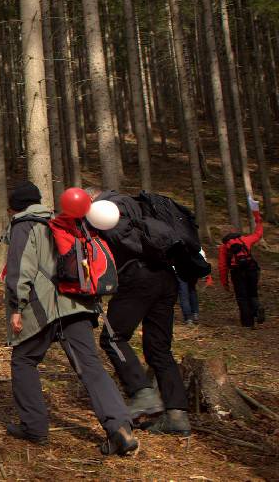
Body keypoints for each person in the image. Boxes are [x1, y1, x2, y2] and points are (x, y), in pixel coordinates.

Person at [3, 181, 137, 455]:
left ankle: (34, 426)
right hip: (78, 304)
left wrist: (17, 307)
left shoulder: (23, 225)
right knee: (90, 366)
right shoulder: (62, 221)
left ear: (13, 207)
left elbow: (20, 268)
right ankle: (120, 427)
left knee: (23, 360)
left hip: (44, 309)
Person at [89, 187, 191, 436]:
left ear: (92, 199)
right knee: (159, 349)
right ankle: (177, 416)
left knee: (112, 338)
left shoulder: (102, 212)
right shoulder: (139, 206)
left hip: (138, 277)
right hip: (166, 277)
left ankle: (142, 392)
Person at [219, 196, 264, 329]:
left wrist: (225, 282)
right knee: (252, 293)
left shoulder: (223, 247)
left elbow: (222, 266)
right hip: (251, 269)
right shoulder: (245, 240)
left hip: (237, 273)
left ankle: (247, 323)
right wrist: (258, 218)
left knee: (242, 297)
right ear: (234, 231)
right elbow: (258, 234)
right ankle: (257, 308)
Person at [176, 249, 210, 326]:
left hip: (180, 271)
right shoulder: (193, 242)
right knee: (192, 290)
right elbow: (202, 255)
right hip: (192, 270)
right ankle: (195, 314)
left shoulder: (175, 242)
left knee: (183, 294)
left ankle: (188, 318)